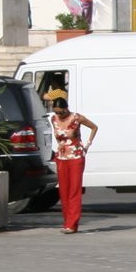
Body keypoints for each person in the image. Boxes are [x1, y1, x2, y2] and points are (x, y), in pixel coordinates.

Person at [49, 97, 98, 234]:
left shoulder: (77, 118)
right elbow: (57, 136)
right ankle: (67, 222)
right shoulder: (54, 119)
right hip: (61, 157)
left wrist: (87, 145)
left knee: (74, 190)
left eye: (61, 112)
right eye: (57, 112)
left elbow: (94, 127)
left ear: (66, 108)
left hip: (76, 156)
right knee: (63, 190)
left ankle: (72, 223)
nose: (59, 115)